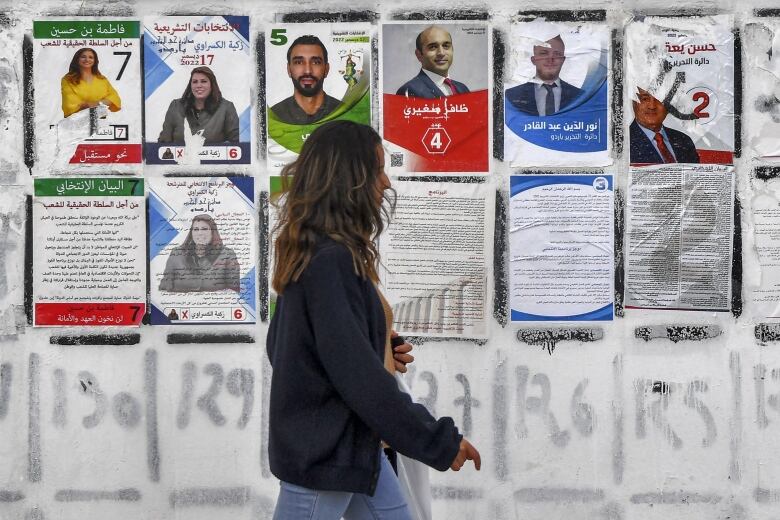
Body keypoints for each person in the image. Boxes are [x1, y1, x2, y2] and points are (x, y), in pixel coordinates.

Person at [267, 120, 480, 520]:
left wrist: (375, 343)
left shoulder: (317, 253)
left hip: (354, 449)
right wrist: (437, 441)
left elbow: (293, 348)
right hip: (325, 457)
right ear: (351, 179)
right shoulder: (330, 262)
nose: (386, 183)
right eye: (378, 169)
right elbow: (358, 378)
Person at [158, 214, 240, 293]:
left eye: (204, 229)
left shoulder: (227, 254)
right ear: (191, 233)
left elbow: (234, 289)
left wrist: (180, 284)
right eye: (196, 229)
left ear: (213, 232)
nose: (200, 233)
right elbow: (165, 287)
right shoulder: (176, 253)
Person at [270, 35, 342, 125]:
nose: (308, 71)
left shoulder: (345, 113)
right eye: (299, 62)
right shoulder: (273, 117)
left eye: (316, 62)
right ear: (289, 70)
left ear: (326, 69)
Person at [158, 66, 240, 144]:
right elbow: (163, 144)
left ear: (212, 84)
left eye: (203, 81)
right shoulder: (176, 106)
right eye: (194, 82)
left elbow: (236, 145)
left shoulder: (226, 108)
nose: (199, 85)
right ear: (190, 85)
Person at [505, 35, 582, 116]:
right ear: (533, 60)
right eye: (544, 53)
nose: (550, 60)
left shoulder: (581, 97)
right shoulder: (511, 95)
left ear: (563, 60)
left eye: (557, 54)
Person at [396, 25, 469, 99]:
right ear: (419, 55)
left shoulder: (463, 89)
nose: (441, 53)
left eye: (446, 46)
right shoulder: (408, 91)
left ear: (452, 50)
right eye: (433, 47)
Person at [630, 87, 700, 164]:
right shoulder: (621, 142)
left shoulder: (684, 140)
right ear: (634, 103)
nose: (652, 106)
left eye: (660, 100)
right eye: (645, 99)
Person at [60, 48, 121, 118]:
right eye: (83, 57)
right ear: (77, 59)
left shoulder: (102, 79)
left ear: (95, 61)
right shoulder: (68, 80)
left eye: (91, 57)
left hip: (100, 123)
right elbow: (69, 106)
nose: (87, 60)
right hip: (76, 124)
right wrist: (103, 103)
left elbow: (115, 98)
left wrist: (95, 103)